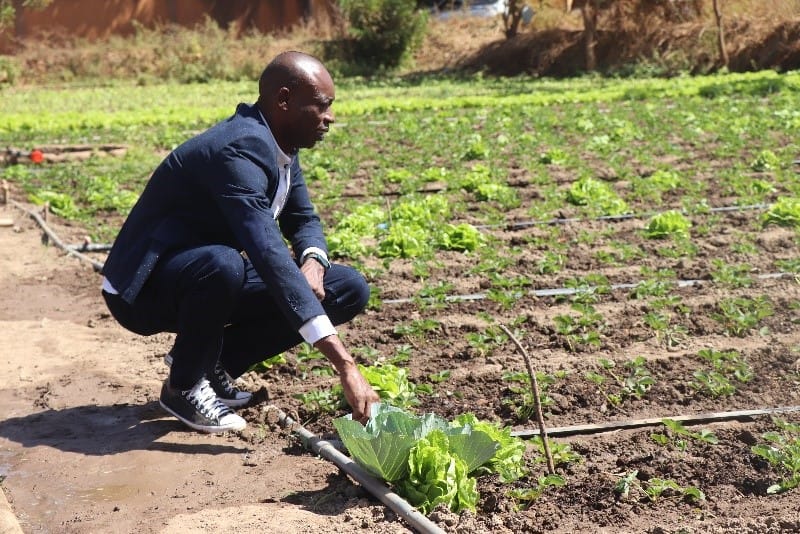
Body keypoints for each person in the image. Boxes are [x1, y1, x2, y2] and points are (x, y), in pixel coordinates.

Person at [101, 51, 380, 433]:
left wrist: (313, 261)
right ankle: (183, 386)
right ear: (284, 100)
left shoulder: (281, 145)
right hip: (144, 287)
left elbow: (303, 219)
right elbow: (266, 251)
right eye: (322, 106)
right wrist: (345, 364)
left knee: (345, 287)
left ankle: (214, 367)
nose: (330, 117)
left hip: (203, 270)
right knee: (224, 264)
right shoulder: (238, 149)